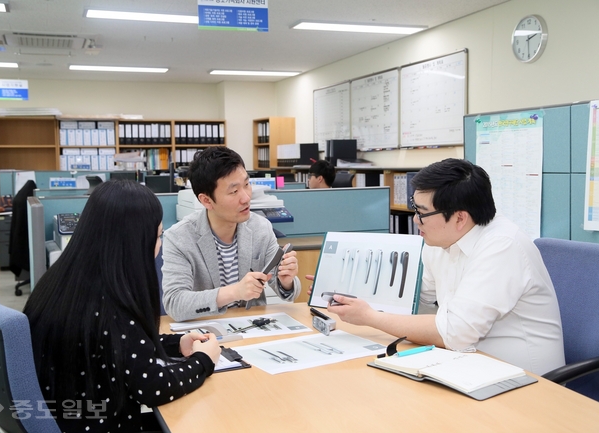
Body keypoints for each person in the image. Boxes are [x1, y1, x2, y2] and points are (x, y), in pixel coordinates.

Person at [314, 158, 565, 375]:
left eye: (422, 213)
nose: (415, 220)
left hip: (525, 379)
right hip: (470, 364)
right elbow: (416, 302)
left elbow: (455, 333)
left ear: (459, 217)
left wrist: (369, 317)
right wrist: (344, 294)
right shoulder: (440, 241)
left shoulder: (502, 246)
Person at [24, 180, 221, 433]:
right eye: (158, 235)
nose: (159, 245)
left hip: (74, 418)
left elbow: (122, 347)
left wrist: (176, 343)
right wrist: (204, 360)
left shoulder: (68, 281)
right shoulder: (110, 305)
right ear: (133, 241)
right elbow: (154, 388)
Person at [162, 146, 301, 321]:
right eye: (234, 191)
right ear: (206, 200)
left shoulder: (261, 228)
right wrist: (234, 292)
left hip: (254, 328)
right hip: (206, 332)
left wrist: (286, 281)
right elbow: (175, 303)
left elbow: (287, 291)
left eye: (246, 184)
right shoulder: (179, 238)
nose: (246, 197)